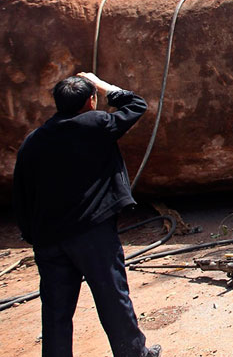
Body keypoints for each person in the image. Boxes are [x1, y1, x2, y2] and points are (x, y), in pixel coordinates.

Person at [12, 72, 160, 357]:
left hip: (49, 239)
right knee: (112, 297)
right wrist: (105, 86)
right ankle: (133, 354)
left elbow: (21, 195)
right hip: (92, 235)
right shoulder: (95, 124)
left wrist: (34, 236)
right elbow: (137, 105)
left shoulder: (33, 141)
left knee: (55, 310)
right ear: (91, 101)